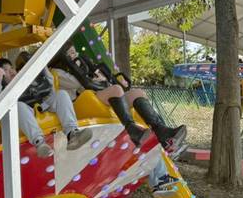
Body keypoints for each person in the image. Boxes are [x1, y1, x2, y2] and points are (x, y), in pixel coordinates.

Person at [52, 46, 187, 155]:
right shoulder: (57, 71)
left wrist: (102, 77)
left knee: (137, 93)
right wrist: (89, 75)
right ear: (63, 56)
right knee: (116, 90)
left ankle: (164, 134)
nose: (75, 54)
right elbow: (77, 83)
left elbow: (98, 77)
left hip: (100, 94)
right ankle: (133, 131)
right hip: (81, 101)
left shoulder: (83, 64)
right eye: (71, 53)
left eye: (75, 51)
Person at [0, 56, 92, 158]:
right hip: (25, 115)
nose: (11, 71)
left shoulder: (26, 80)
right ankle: (40, 143)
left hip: (42, 105)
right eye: (5, 70)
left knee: (62, 94)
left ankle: (72, 133)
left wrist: (44, 69)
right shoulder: (2, 91)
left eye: (11, 68)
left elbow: (49, 88)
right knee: (19, 106)